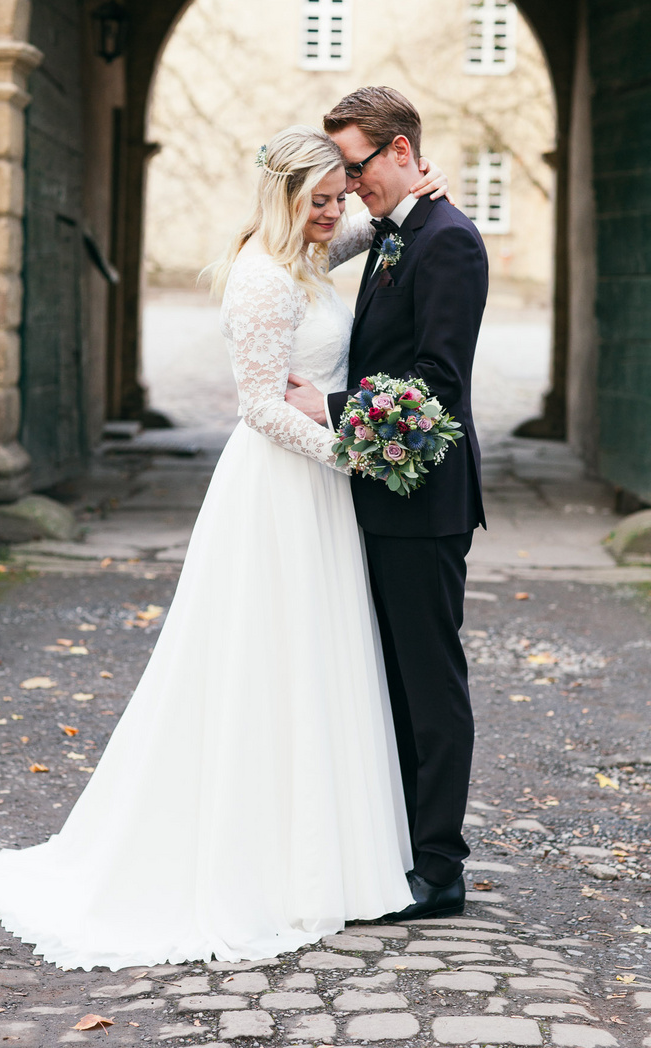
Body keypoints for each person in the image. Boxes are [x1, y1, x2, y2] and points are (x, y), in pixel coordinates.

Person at [0, 126, 450, 971]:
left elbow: (372, 228)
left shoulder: (308, 247)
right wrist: (355, 451)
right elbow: (260, 408)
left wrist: (410, 197)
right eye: (322, 201)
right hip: (279, 489)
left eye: (341, 198)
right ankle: (249, 854)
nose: (335, 216)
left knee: (322, 661)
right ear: (285, 198)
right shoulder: (263, 280)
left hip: (320, 495)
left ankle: (327, 847)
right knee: (261, 662)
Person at [287, 87, 488, 920]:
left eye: (359, 166)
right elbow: (303, 237)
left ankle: (439, 867)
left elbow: (438, 388)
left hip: (423, 503)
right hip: (373, 494)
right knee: (383, 682)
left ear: (402, 152)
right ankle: (395, 844)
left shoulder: (451, 244)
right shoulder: (399, 227)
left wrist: (327, 412)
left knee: (428, 682)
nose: (350, 182)